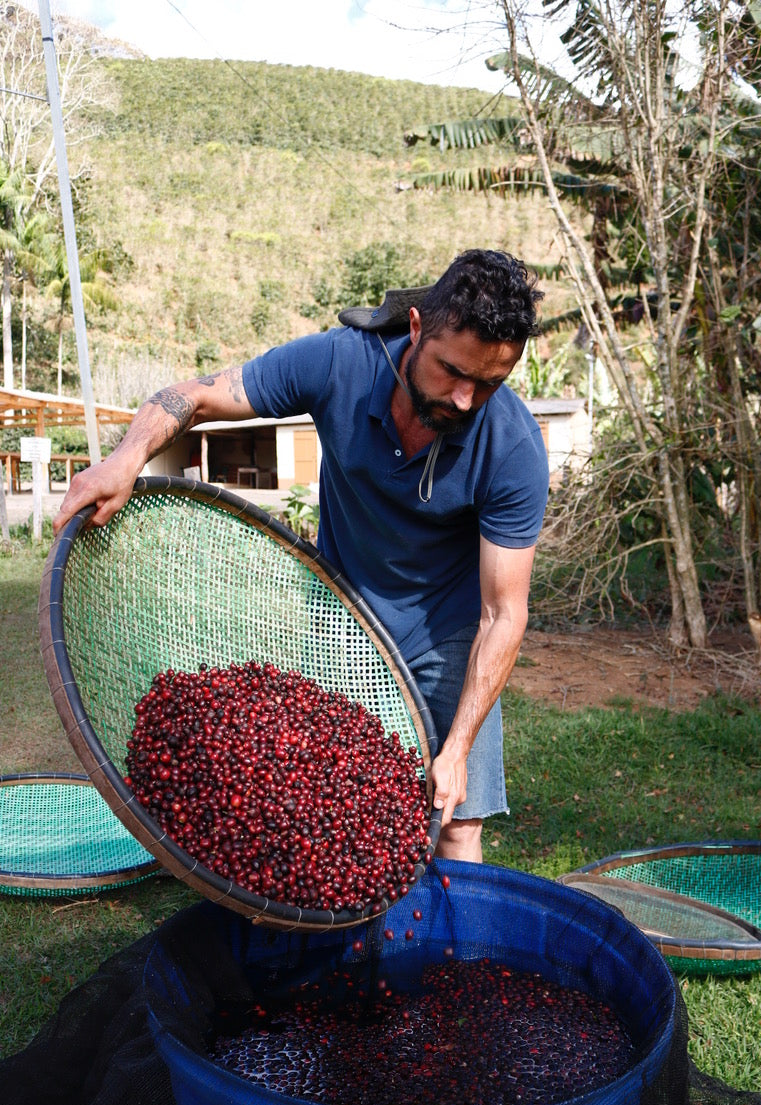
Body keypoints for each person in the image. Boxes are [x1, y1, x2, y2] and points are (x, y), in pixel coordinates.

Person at [55, 248, 550, 863]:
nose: (466, 399)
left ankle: (444, 951)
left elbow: (505, 614)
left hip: (450, 633)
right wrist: (124, 459)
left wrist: (458, 748)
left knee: (455, 819)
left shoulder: (513, 447)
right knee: (335, 807)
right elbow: (196, 395)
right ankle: (339, 948)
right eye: (452, 371)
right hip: (345, 624)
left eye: (490, 383)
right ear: (417, 329)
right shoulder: (340, 363)